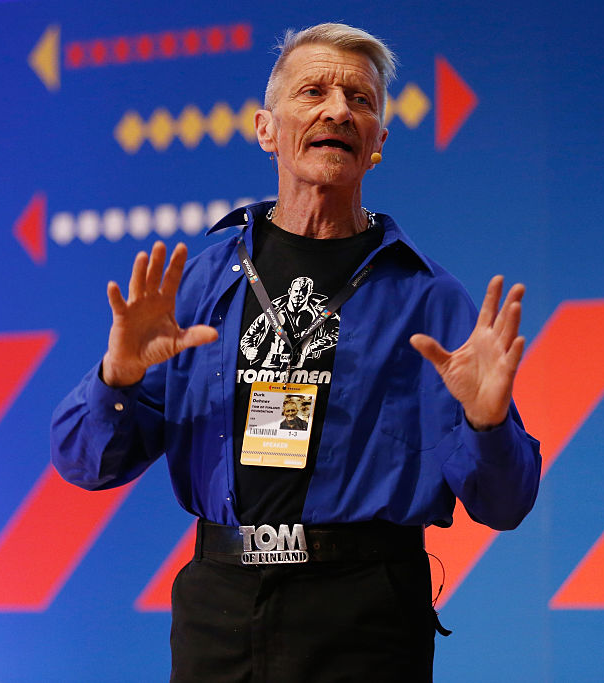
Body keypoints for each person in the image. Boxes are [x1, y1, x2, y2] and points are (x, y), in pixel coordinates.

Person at [51, 22, 542, 682]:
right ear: (266, 129)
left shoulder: (432, 301)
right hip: (219, 609)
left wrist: (487, 422)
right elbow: (86, 462)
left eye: (361, 101)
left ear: (377, 145)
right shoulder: (200, 283)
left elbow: (504, 504)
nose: (339, 109)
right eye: (313, 91)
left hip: (366, 617)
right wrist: (118, 375)